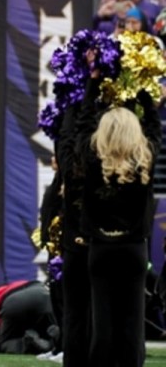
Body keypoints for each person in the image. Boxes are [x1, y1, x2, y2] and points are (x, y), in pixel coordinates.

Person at [82, 101, 159, 367]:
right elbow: (155, 130)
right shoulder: (144, 163)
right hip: (134, 249)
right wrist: (146, 98)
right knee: (132, 323)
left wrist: (93, 88)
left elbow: (81, 128)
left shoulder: (92, 162)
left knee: (102, 323)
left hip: (101, 248)